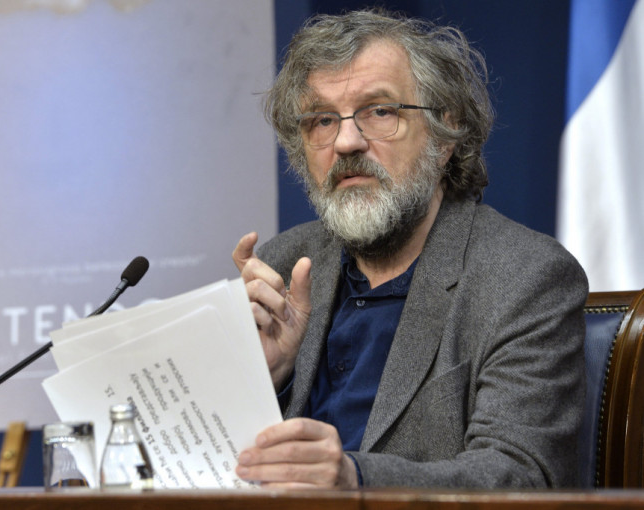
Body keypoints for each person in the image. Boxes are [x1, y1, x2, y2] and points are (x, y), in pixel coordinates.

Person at [232, 9, 588, 489]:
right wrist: (267, 380)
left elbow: (523, 476)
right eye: (322, 120)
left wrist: (356, 481)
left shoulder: (525, 277)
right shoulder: (283, 265)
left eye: (380, 112)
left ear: (443, 136)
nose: (346, 142)